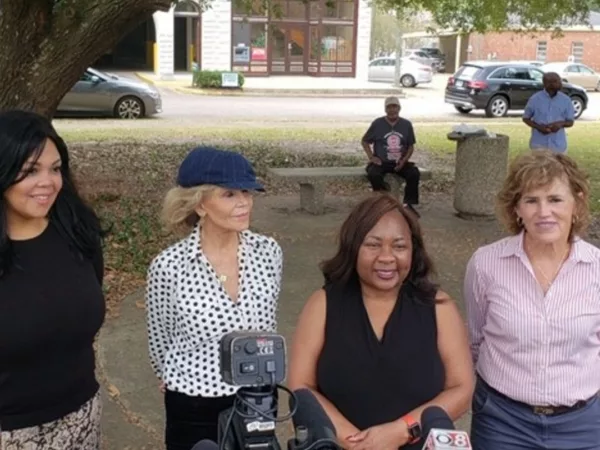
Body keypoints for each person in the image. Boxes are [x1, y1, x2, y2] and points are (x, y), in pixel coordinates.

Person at [288, 193, 474, 449]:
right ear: (353, 247)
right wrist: (357, 443)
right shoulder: (322, 304)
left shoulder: (439, 307)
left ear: (413, 250)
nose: (387, 257)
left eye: (399, 246)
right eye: (373, 245)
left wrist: (400, 431)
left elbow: (461, 389)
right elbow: (301, 386)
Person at [146, 146, 283, 450]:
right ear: (200, 204)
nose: (244, 202)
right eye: (229, 194)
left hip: (257, 394)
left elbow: (267, 324)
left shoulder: (269, 252)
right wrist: (168, 374)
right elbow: (160, 339)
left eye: (247, 192)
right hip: (195, 400)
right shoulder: (169, 266)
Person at [464, 150, 600, 449]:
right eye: (531, 200)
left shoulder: (597, 269)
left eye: (555, 199)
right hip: (503, 421)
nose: (543, 212)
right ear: (516, 209)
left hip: (582, 425)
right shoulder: (486, 264)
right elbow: (475, 340)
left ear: (576, 203)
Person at [0, 111, 105, 450]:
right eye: (30, 170)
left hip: (82, 419)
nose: (48, 182)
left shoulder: (78, 234)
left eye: (55, 168)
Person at [361, 96, 421, 218]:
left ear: (399, 108)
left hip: (400, 162)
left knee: (414, 173)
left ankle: (408, 204)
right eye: (389, 107)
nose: (392, 110)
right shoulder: (377, 124)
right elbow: (365, 141)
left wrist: (404, 160)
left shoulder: (406, 124)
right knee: (373, 174)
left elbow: (410, 146)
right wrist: (372, 157)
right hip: (381, 162)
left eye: (395, 107)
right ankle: (384, 201)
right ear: (385, 109)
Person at [523, 72, 575, 153]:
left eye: (559, 81)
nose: (560, 84)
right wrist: (539, 127)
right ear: (547, 84)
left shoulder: (566, 100)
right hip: (538, 146)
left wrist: (560, 124)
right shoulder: (535, 99)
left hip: (558, 147)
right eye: (556, 81)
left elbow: (570, 122)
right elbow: (526, 118)